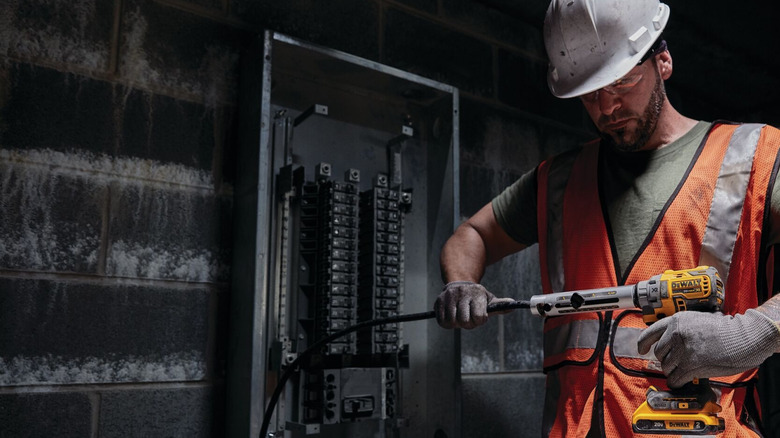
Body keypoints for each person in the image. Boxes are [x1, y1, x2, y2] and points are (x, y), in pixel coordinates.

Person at [435, 0, 780, 436]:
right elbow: (471, 235)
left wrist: (756, 332)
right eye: (589, 93)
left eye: (622, 82)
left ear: (663, 61)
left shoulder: (753, 157)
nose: (606, 107)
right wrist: (460, 281)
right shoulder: (558, 181)